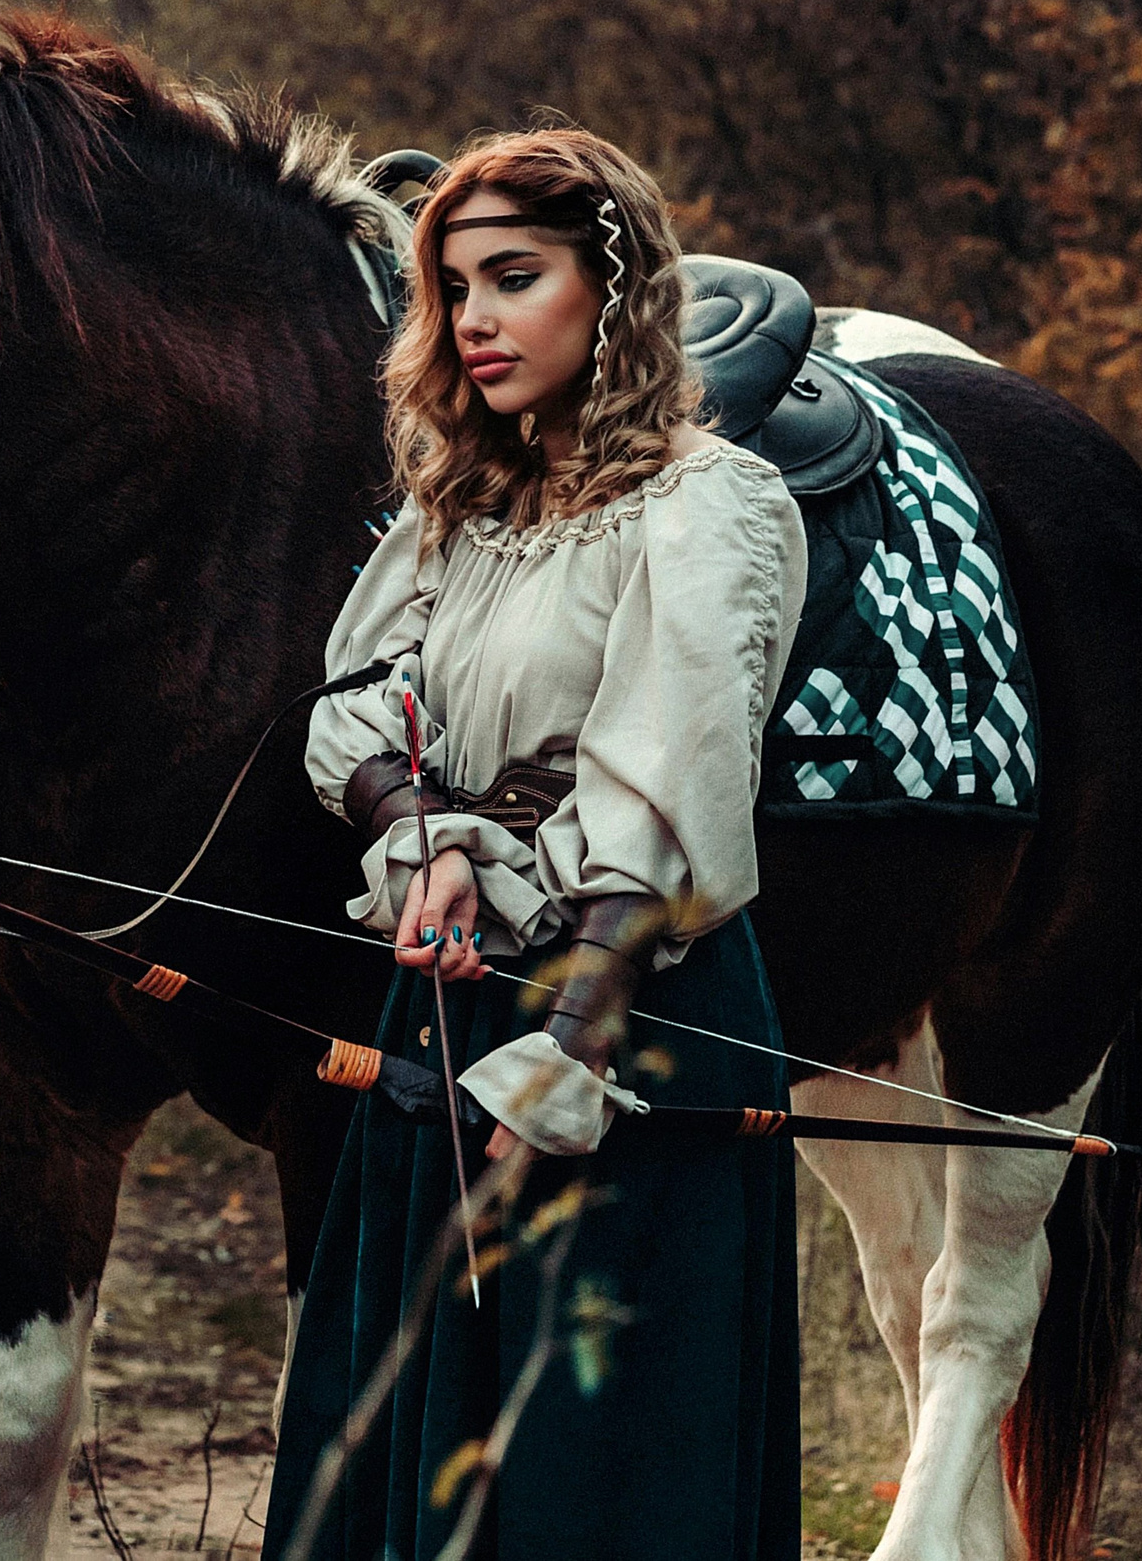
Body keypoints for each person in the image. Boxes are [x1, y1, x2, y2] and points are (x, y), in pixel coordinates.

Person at [269, 129, 809, 1560]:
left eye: (516, 276)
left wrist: (566, 1048)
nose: (475, 321)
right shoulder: (461, 505)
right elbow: (359, 702)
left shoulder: (706, 506)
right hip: (446, 993)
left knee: (595, 1461)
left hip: (626, 1013)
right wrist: (424, 834)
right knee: (407, 1435)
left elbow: (671, 787)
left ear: (614, 290)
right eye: (452, 290)